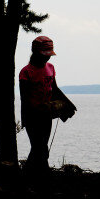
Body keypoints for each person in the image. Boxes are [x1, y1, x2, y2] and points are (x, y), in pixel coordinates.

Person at [19, 35, 59, 174]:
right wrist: (25, 118)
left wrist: (63, 106)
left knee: (41, 147)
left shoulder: (51, 68)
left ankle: (33, 175)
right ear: (36, 53)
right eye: (44, 55)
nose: (47, 58)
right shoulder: (26, 72)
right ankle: (39, 174)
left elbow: (54, 89)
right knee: (39, 147)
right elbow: (24, 98)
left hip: (46, 115)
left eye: (49, 55)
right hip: (32, 116)